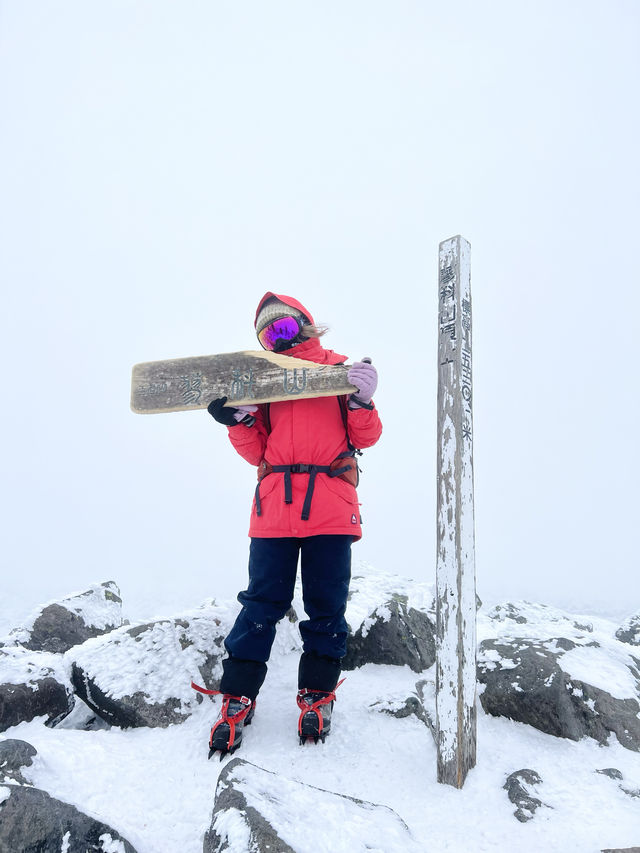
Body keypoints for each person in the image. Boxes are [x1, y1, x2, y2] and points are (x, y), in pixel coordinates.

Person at [203, 292, 382, 757]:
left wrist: (362, 398)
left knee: (325, 607)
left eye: (283, 328)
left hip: (329, 505)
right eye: (267, 334)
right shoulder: (261, 381)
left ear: (305, 324)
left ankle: (315, 697)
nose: (276, 339)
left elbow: (366, 436)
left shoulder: (340, 369)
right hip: (273, 510)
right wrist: (238, 421)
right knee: (261, 604)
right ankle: (238, 696)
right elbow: (258, 453)